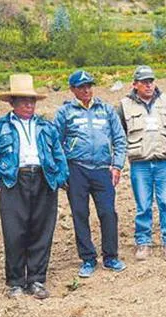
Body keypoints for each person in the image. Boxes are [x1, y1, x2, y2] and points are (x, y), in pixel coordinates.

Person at [0, 74, 69, 299]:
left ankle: (37, 280)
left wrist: (58, 179)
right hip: (14, 181)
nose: (29, 105)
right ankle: (16, 282)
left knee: (42, 230)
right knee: (14, 232)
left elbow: (59, 155)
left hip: (43, 179)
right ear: (12, 103)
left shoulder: (46, 127)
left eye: (32, 101)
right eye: (23, 101)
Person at [54, 70, 127, 278]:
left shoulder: (106, 109)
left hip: (103, 169)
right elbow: (55, 144)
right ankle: (87, 258)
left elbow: (120, 139)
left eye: (89, 86)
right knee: (80, 214)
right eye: (81, 87)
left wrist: (117, 165)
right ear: (72, 89)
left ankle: (111, 256)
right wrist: (62, 171)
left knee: (108, 212)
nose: (86, 90)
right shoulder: (65, 113)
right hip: (76, 169)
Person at [116, 66, 166, 262]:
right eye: (144, 82)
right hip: (140, 163)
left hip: (164, 161)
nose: (149, 85)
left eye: (151, 81)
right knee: (143, 205)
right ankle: (143, 242)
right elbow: (119, 133)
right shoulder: (125, 105)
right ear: (135, 85)